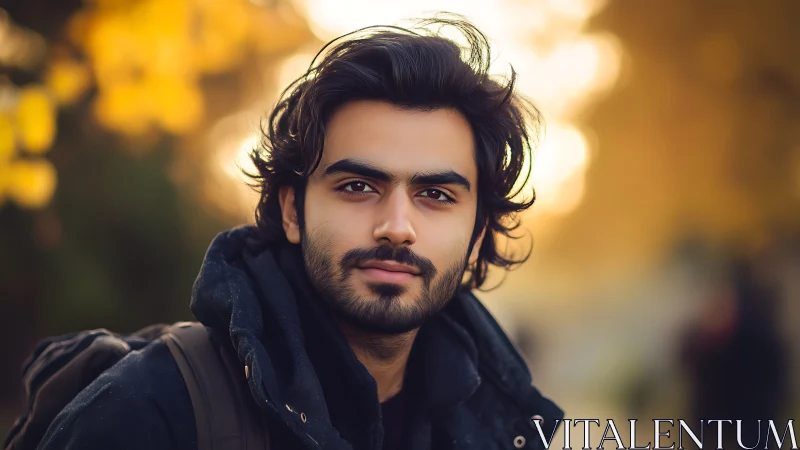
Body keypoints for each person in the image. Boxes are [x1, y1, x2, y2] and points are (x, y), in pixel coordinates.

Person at [35, 17, 563, 450]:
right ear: (292, 210)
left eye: (437, 195)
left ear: (477, 234)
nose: (397, 227)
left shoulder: (499, 427)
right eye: (358, 186)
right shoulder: (152, 413)